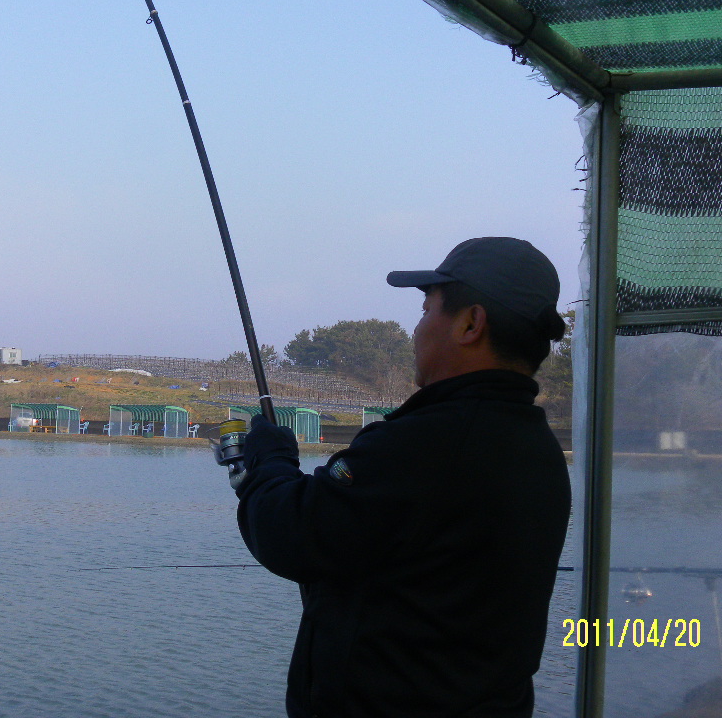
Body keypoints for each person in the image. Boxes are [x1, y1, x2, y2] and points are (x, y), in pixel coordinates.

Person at [232, 237, 572, 717]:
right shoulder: (535, 446)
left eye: (426, 310)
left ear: (470, 324)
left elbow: (288, 533)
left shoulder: (429, 443)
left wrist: (270, 458)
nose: (416, 330)